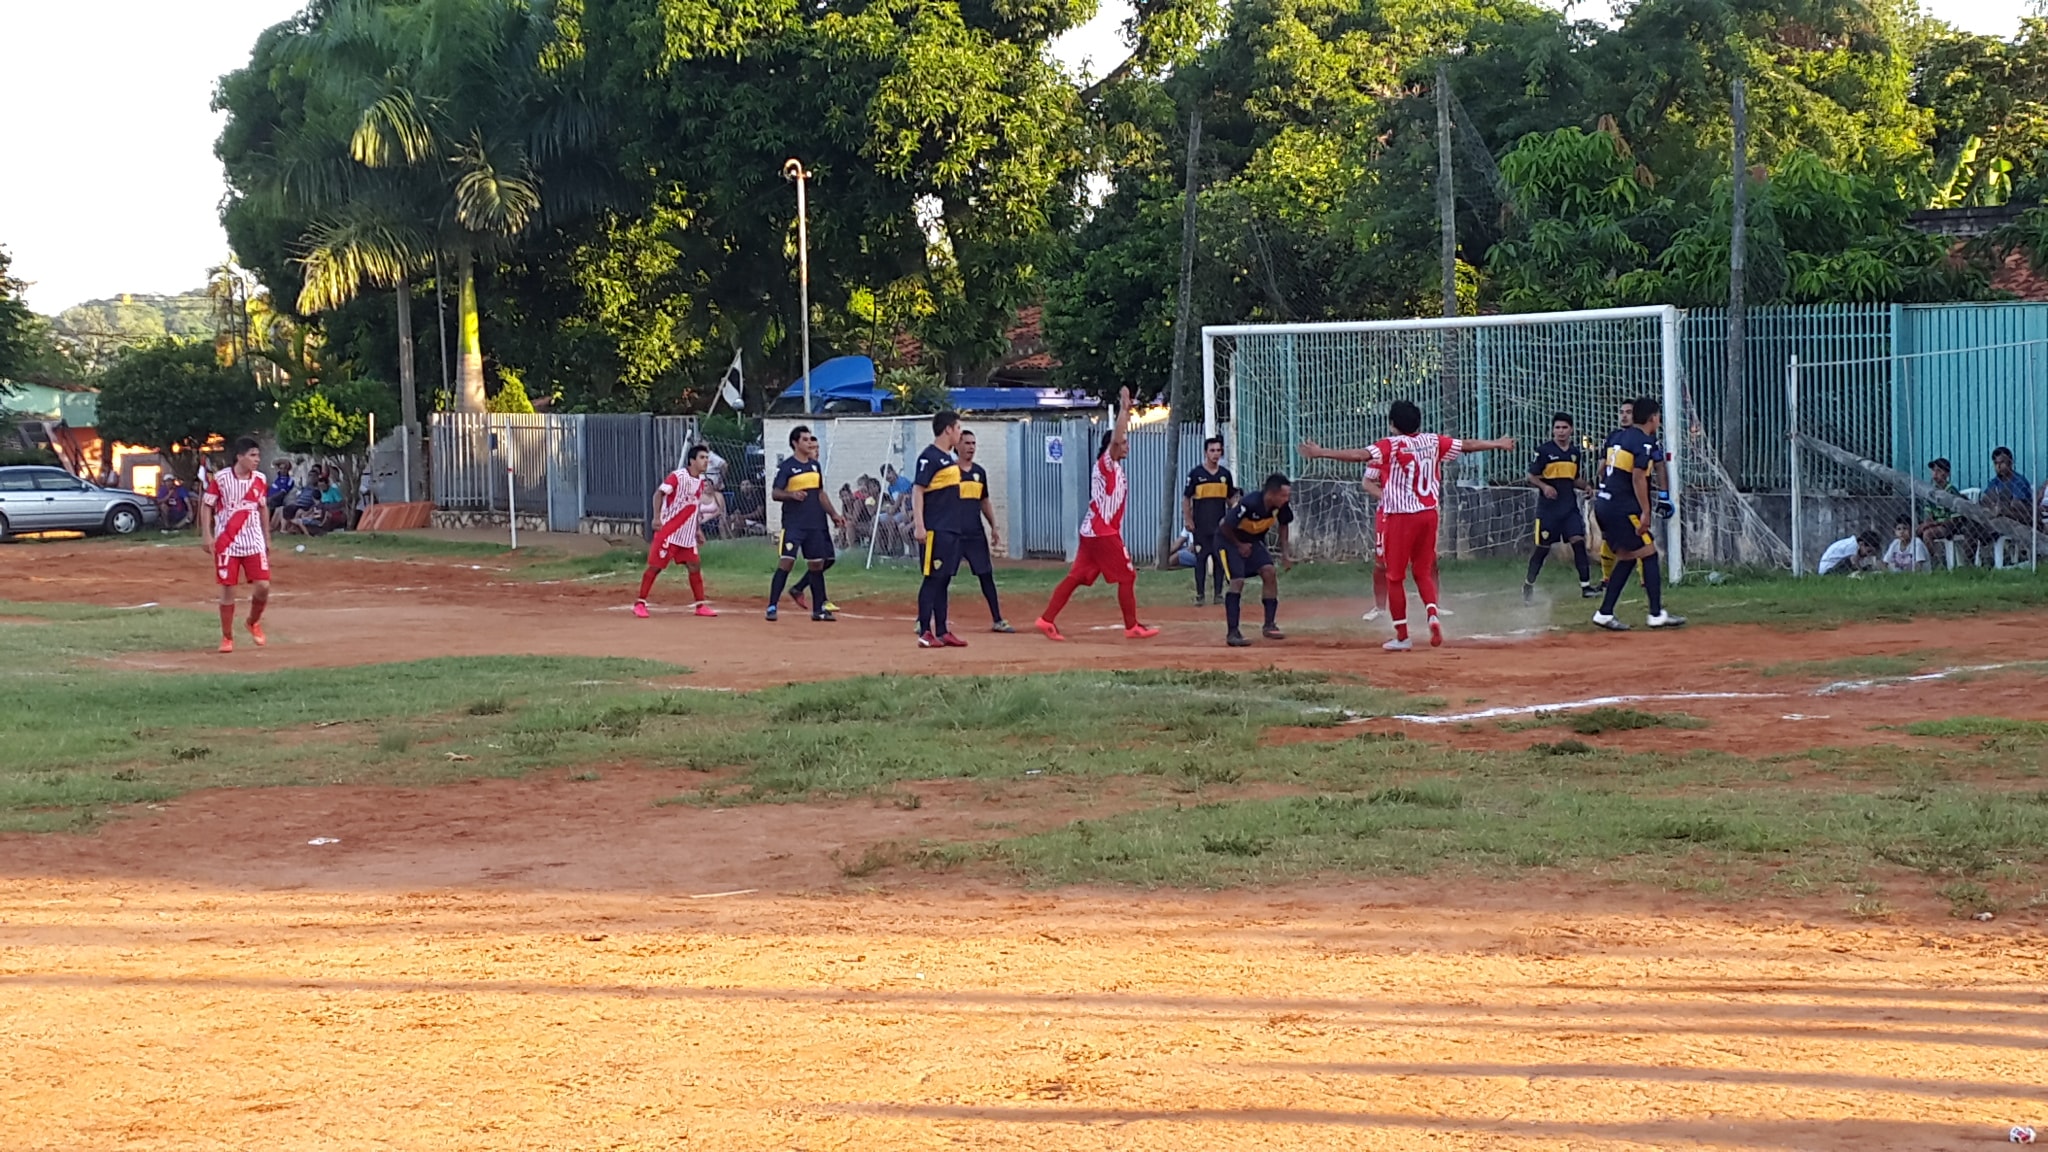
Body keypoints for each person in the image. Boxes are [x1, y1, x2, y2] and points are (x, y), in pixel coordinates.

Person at [1300, 401, 1516, 650]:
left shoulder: (1391, 445)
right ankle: (1432, 614)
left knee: (1395, 576)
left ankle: (1402, 636)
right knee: (1423, 571)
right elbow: (1467, 445)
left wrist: (1321, 452)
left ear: (1392, 424)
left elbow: (1359, 455)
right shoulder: (1433, 441)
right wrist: (1497, 443)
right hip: (1429, 514)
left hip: (1401, 516)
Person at [1035, 387, 1158, 642]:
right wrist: (1124, 410)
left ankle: (1046, 619)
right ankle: (1132, 626)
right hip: (1102, 532)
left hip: (1092, 530)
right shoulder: (1106, 463)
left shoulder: (1115, 468)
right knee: (1127, 576)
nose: (1126, 446)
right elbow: (1116, 440)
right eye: (1124, 442)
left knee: (1077, 577)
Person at [1592, 396, 1686, 631]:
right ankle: (1655, 614)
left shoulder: (1618, 437)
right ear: (1653, 418)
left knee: (1627, 556)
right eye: (1658, 417)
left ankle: (1605, 613)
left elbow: (1603, 470)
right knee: (1649, 553)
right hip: (1621, 508)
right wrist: (1646, 511)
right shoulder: (1643, 441)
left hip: (1603, 504)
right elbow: (1637, 477)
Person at [198, 437, 272, 654]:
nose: (257, 459)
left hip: (253, 540)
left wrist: (267, 537)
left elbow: (263, 508)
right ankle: (227, 636)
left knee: (263, 586)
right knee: (228, 589)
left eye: (258, 455)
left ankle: (253, 621)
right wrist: (207, 535)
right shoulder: (221, 478)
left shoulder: (260, 479)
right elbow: (207, 505)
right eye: (252, 455)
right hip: (227, 541)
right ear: (240, 457)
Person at [766, 425, 846, 622]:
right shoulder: (787, 467)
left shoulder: (815, 466)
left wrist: (834, 514)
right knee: (787, 561)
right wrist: (791, 495)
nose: (810, 443)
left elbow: (820, 493)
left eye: (811, 439)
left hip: (815, 523)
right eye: (805, 439)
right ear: (795, 443)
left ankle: (818, 609)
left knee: (817, 564)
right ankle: (772, 605)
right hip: (794, 524)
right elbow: (776, 493)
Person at [635, 445, 724, 619]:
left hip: (687, 535)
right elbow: (658, 494)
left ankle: (700, 605)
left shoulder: (701, 482)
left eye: (707, 458)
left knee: (694, 566)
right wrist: (656, 518)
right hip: (669, 532)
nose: (706, 461)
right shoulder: (678, 476)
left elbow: (694, 507)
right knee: (656, 567)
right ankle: (640, 603)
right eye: (702, 458)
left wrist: (697, 530)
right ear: (692, 461)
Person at [1524, 411, 1599, 603]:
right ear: (1552, 430)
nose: (1561, 431)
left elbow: (1574, 478)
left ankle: (1586, 586)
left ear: (1571, 430)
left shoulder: (1574, 453)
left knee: (1578, 542)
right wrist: (1545, 487)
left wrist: (1586, 486)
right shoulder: (1543, 451)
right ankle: (1528, 585)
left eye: (1564, 427)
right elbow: (1531, 476)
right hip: (1548, 510)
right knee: (1542, 549)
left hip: (1569, 508)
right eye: (1557, 427)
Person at [1218, 472, 1294, 647]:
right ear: (1271, 494)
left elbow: (1284, 525)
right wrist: (1239, 545)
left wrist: (1285, 554)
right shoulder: (1250, 503)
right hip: (1228, 540)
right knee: (1237, 581)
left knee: (1269, 572)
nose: (1286, 499)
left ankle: (1269, 625)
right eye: (1283, 495)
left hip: (1252, 540)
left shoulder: (1281, 506)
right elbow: (1225, 526)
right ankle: (1233, 633)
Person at [914, 411, 968, 648]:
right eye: (958, 428)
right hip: (935, 529)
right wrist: (919, 525)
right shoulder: (929, 457)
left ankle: (943, 631)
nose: (960, 433)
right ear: (948, 429)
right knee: (932, 579)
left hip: (951, 529)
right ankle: (925, 631)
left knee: (944, 579)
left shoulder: (950, 458)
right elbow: (918, 490)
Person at [950, 429, 1012, 633]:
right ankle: (924, 619)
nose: (971, 447)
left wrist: (994, 526)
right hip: (952, 533)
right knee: (941, 577)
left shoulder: (979, 473)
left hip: (975, 533)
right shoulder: (948, 472)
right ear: (957, 446)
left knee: (986, 575)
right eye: (967, 443)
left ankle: (998, 619)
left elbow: (984, 501)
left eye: (973, 443)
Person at [1182, 436, 1234, 607]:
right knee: (1201, 560)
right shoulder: (1196, 474)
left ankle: (1218, 594)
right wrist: (1188, 519)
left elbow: (1231, 499)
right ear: (1206, 452)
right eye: (1212, 450)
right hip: (1201, 526)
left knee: (1219, 559)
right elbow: (1186, 498)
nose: (1215, 454)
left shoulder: (1225, 475)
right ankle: (1200, 595)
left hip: (1220, 527)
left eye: (1218, 450)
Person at [1917, 458, 1962, 552]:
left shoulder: (1951, 492)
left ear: (1947, 474)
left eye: (1938, 471)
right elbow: (1929, 516)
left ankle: (1933, 559)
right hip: (1935, 524)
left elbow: (1954, 520)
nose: (1935, 474)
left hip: (1948, 526)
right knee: (1917, 531)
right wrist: (1926, 524)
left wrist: (1930, 524)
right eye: (1933, 471)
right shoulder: (1932, 492)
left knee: (1928, 534)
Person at [1818, 530, 1882, 575]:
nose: (1868, 555)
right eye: (1868, 551)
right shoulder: (1852, 546)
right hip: (1828, 571)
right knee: (1853, 561)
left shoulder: (1855, 545)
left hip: (1837, 567)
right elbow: (1853, 561)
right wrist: (1862, 572)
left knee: (1867, 568)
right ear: (1861, 544)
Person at [266, 458, 297, 532]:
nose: (282, 470)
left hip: (277, 500)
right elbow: (274, 463)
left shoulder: (289, 480)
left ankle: (267, 525)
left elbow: (283, 493)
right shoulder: (277, 478)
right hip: (269, 497)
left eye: (284, 468)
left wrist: (271, 498)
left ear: (287, 470)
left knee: (268, 504)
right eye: (281, 468)